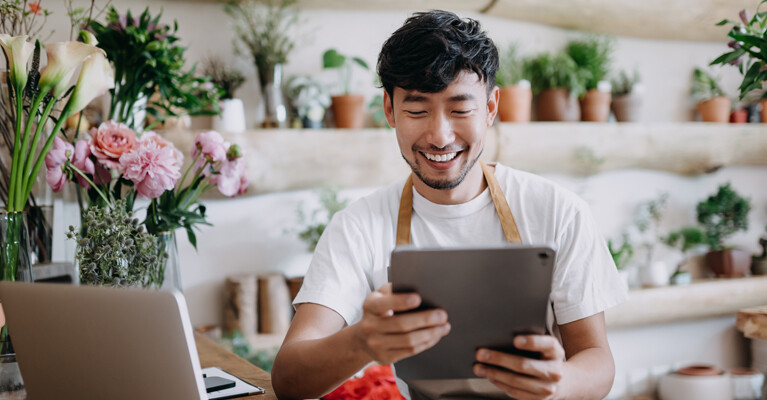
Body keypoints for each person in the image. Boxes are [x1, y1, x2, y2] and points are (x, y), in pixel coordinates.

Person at [271, 10, 628, 400]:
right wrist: (362, 342)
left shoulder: (558, 211)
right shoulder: (358, 226)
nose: (440, 136)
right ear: (389, 110)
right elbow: (289, 378)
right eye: (417, 110)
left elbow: (597, 359)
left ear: (491, 107)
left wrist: (560, 383)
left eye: (460, 110)